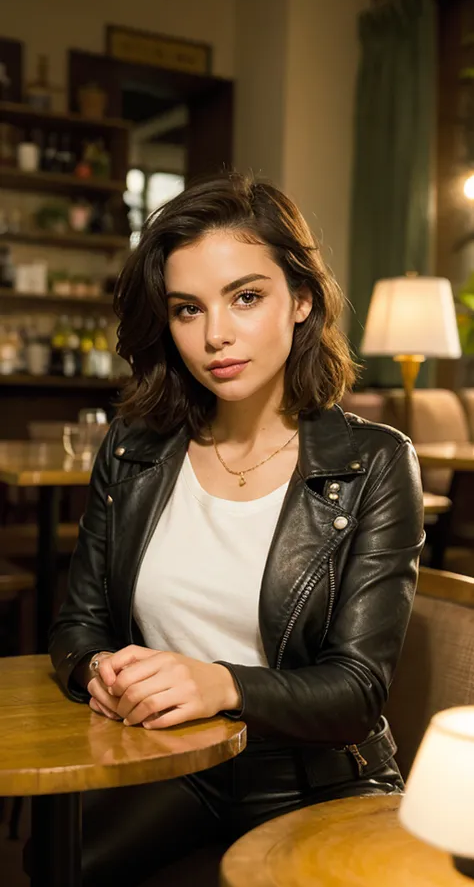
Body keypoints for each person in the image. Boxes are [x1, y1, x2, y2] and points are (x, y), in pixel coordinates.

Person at [50, 172, 424, 887]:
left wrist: (219, 684)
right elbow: (77, 626)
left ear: (302, 300)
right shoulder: (133, 447)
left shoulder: (374, 462)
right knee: (58, 863)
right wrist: (99, 670)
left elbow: (356, 689)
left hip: (318, 777)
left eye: (246, 297)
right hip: (172, 762)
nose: (215, 334)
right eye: (187, 309)